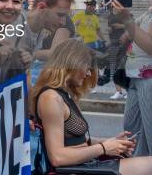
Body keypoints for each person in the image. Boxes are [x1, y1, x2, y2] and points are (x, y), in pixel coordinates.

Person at [30, 39, 152, 173]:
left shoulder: (65, 94)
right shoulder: (51, 98)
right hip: (77, 169)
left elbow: (76, 142)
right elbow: (57, 157)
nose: (88, 74)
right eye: (86, 68)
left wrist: (112, 142)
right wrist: (103, 148)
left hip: (85, 164)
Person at [114, 0, 152, 157]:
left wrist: (128, 21)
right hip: (136, 77)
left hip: (149, 79)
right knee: (132, 132)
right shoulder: (150, 9)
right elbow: (135, 33)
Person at [27, 0, 75, 85]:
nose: (63, 22)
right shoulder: (13, 28)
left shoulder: (43, 30)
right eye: (60, 15)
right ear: (41, 7)